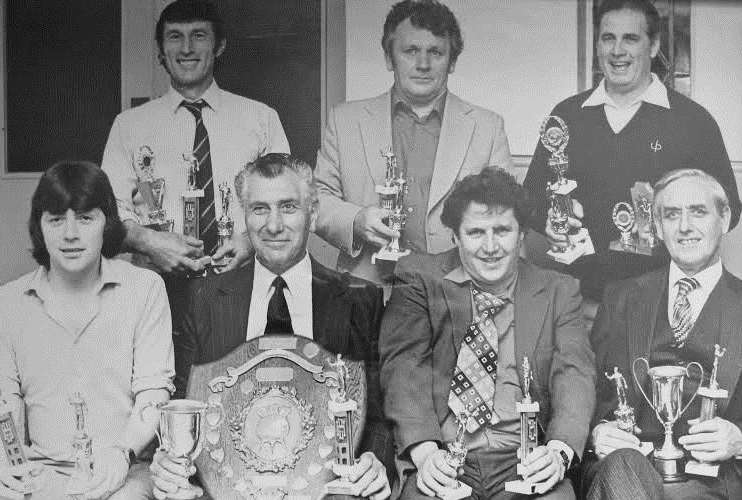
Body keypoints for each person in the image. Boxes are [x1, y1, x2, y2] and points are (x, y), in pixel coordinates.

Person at [150, 153, 391, 500]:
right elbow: (185, 400)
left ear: (314, 212)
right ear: (243, 215)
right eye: (259, 209)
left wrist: (375, 460)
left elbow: (378, 416)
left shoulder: (359, 299)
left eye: (289, 207)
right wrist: (167, 459)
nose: (273, 225)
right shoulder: (204, 299)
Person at [380, 167, 596, 499]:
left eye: (502, 230)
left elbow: (575, 372)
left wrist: (558, 451)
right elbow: (404, 370)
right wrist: (425, 453)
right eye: (476, 232)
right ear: (455, 236)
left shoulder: (557, 290)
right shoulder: (418, 279)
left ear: (522, 233)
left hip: (525, 457)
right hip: (445, 455)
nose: (491, 246)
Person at [523, 0, 740, 305]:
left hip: (662, 308)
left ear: (653, 46)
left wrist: (679, 220)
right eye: (608, 38)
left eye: (631, 38)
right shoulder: (567, 115)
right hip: (577, 304)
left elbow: (729, 211)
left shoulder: (694, 121)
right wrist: (550, 220)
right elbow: (530, 198)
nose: (617, 51)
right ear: (598, 44)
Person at [0, 161, 175, 500]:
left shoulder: (145, 288)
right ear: (40, 227)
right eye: (56, 219)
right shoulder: (5, 304)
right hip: (41, 473)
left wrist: (121, 454)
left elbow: (154, 391)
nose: (70, 234)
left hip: (127, 472)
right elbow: (2, 404)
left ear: (107, 224)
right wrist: (0, 468)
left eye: (86, 218)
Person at [315, 0, 513, 285]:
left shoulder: (488, 127)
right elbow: (317, 199)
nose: (423, 64)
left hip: (458, 291)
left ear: (452, 61)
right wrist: (356, 220)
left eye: (435, 52)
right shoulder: (345, 120)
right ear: (389, 58)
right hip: (367, 289)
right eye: (411, 51)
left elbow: (506, 213)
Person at [585, 168, 742, 500]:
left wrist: (739, 440)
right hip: (625, 470)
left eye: (698, 212)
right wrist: (597, 432)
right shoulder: (620, 298)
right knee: (622, 466)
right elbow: (584, 390)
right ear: (657, 227)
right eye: (672, 215)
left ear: (725, 219)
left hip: (713, 482)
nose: (685, 227)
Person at [102, 0, 289, 276]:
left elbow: (287, 202)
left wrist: (250, 243)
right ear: (161, 51)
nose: (186, 48)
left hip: (244, 281)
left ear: (219, 46)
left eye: (198, 35)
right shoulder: (128, 126)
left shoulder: (262, 119)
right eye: (175, 36)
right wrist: (150, 242)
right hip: (156, 283)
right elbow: (109, 210)